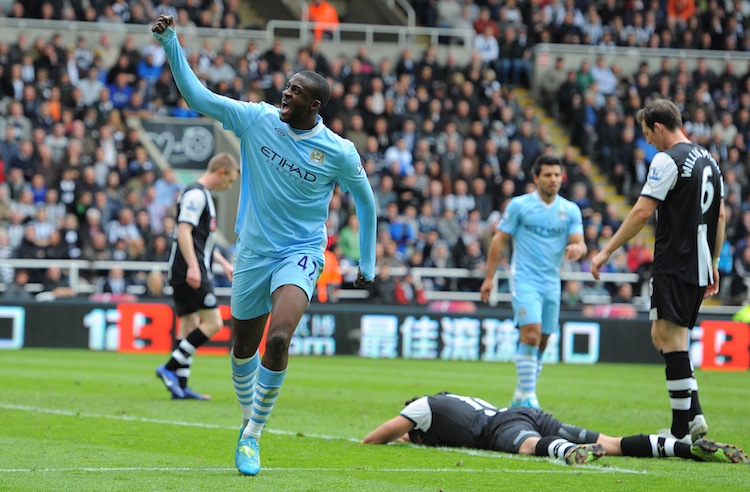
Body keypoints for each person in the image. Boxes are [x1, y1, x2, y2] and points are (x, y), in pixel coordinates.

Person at [152, 15, 377, 476]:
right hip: (252, 253)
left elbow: (367, 203)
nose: (285, 93)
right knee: (242, 350)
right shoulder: (257, 120)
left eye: (295, 91)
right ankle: (245, 420)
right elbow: (197, 96)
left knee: (278, 337)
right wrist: (172, 42)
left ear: (314, 103)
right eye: (286, 86)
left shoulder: (338, 151)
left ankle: (253, 434)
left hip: (301, 252)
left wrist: (368, 261)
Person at [590, 99, 726, 445]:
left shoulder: (668, 160)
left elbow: (640, 213)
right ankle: (691, 416)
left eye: (647, 133)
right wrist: (713, 261)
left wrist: (606, 250)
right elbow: (720, 216)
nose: (647, 141)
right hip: (697, 263)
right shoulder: (709, 160)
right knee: (663, 336)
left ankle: (684, 426)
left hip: (675, 260)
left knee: (670, 340)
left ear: (659, 126)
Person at [362, 391, 750, 465]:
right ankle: (686, 449)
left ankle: (566, 453)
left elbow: (373, 439)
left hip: (503, 426)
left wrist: (406, 436)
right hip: (527, 412)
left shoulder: (420, 409)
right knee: (611, 443)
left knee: (531, 448)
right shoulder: (447, 398)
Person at [480, 155, 586, 409]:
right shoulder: (519, 206)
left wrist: (577, 249)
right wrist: (489, 278)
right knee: (531, 334)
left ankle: (521, 394)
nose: (554, 180)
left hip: (551, 282)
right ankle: (529, 396)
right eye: (548, 175)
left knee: (544, 339)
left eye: (557, 175)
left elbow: (580, 242)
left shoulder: (570, 209)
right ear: (536, 178)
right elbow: (499, 240)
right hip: (524, 278)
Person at [155, 152, 239, 401]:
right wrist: (193, 266)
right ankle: (169, 368)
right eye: (231, 180)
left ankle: (180, 386)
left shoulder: (203, 196)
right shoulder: (195, 194)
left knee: (189, 325)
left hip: (189, 267)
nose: (230, 186)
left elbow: (203, 242)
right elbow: (183, 231)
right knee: (213, 323)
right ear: (221, 172)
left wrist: (223, 262)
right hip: (188, 269)